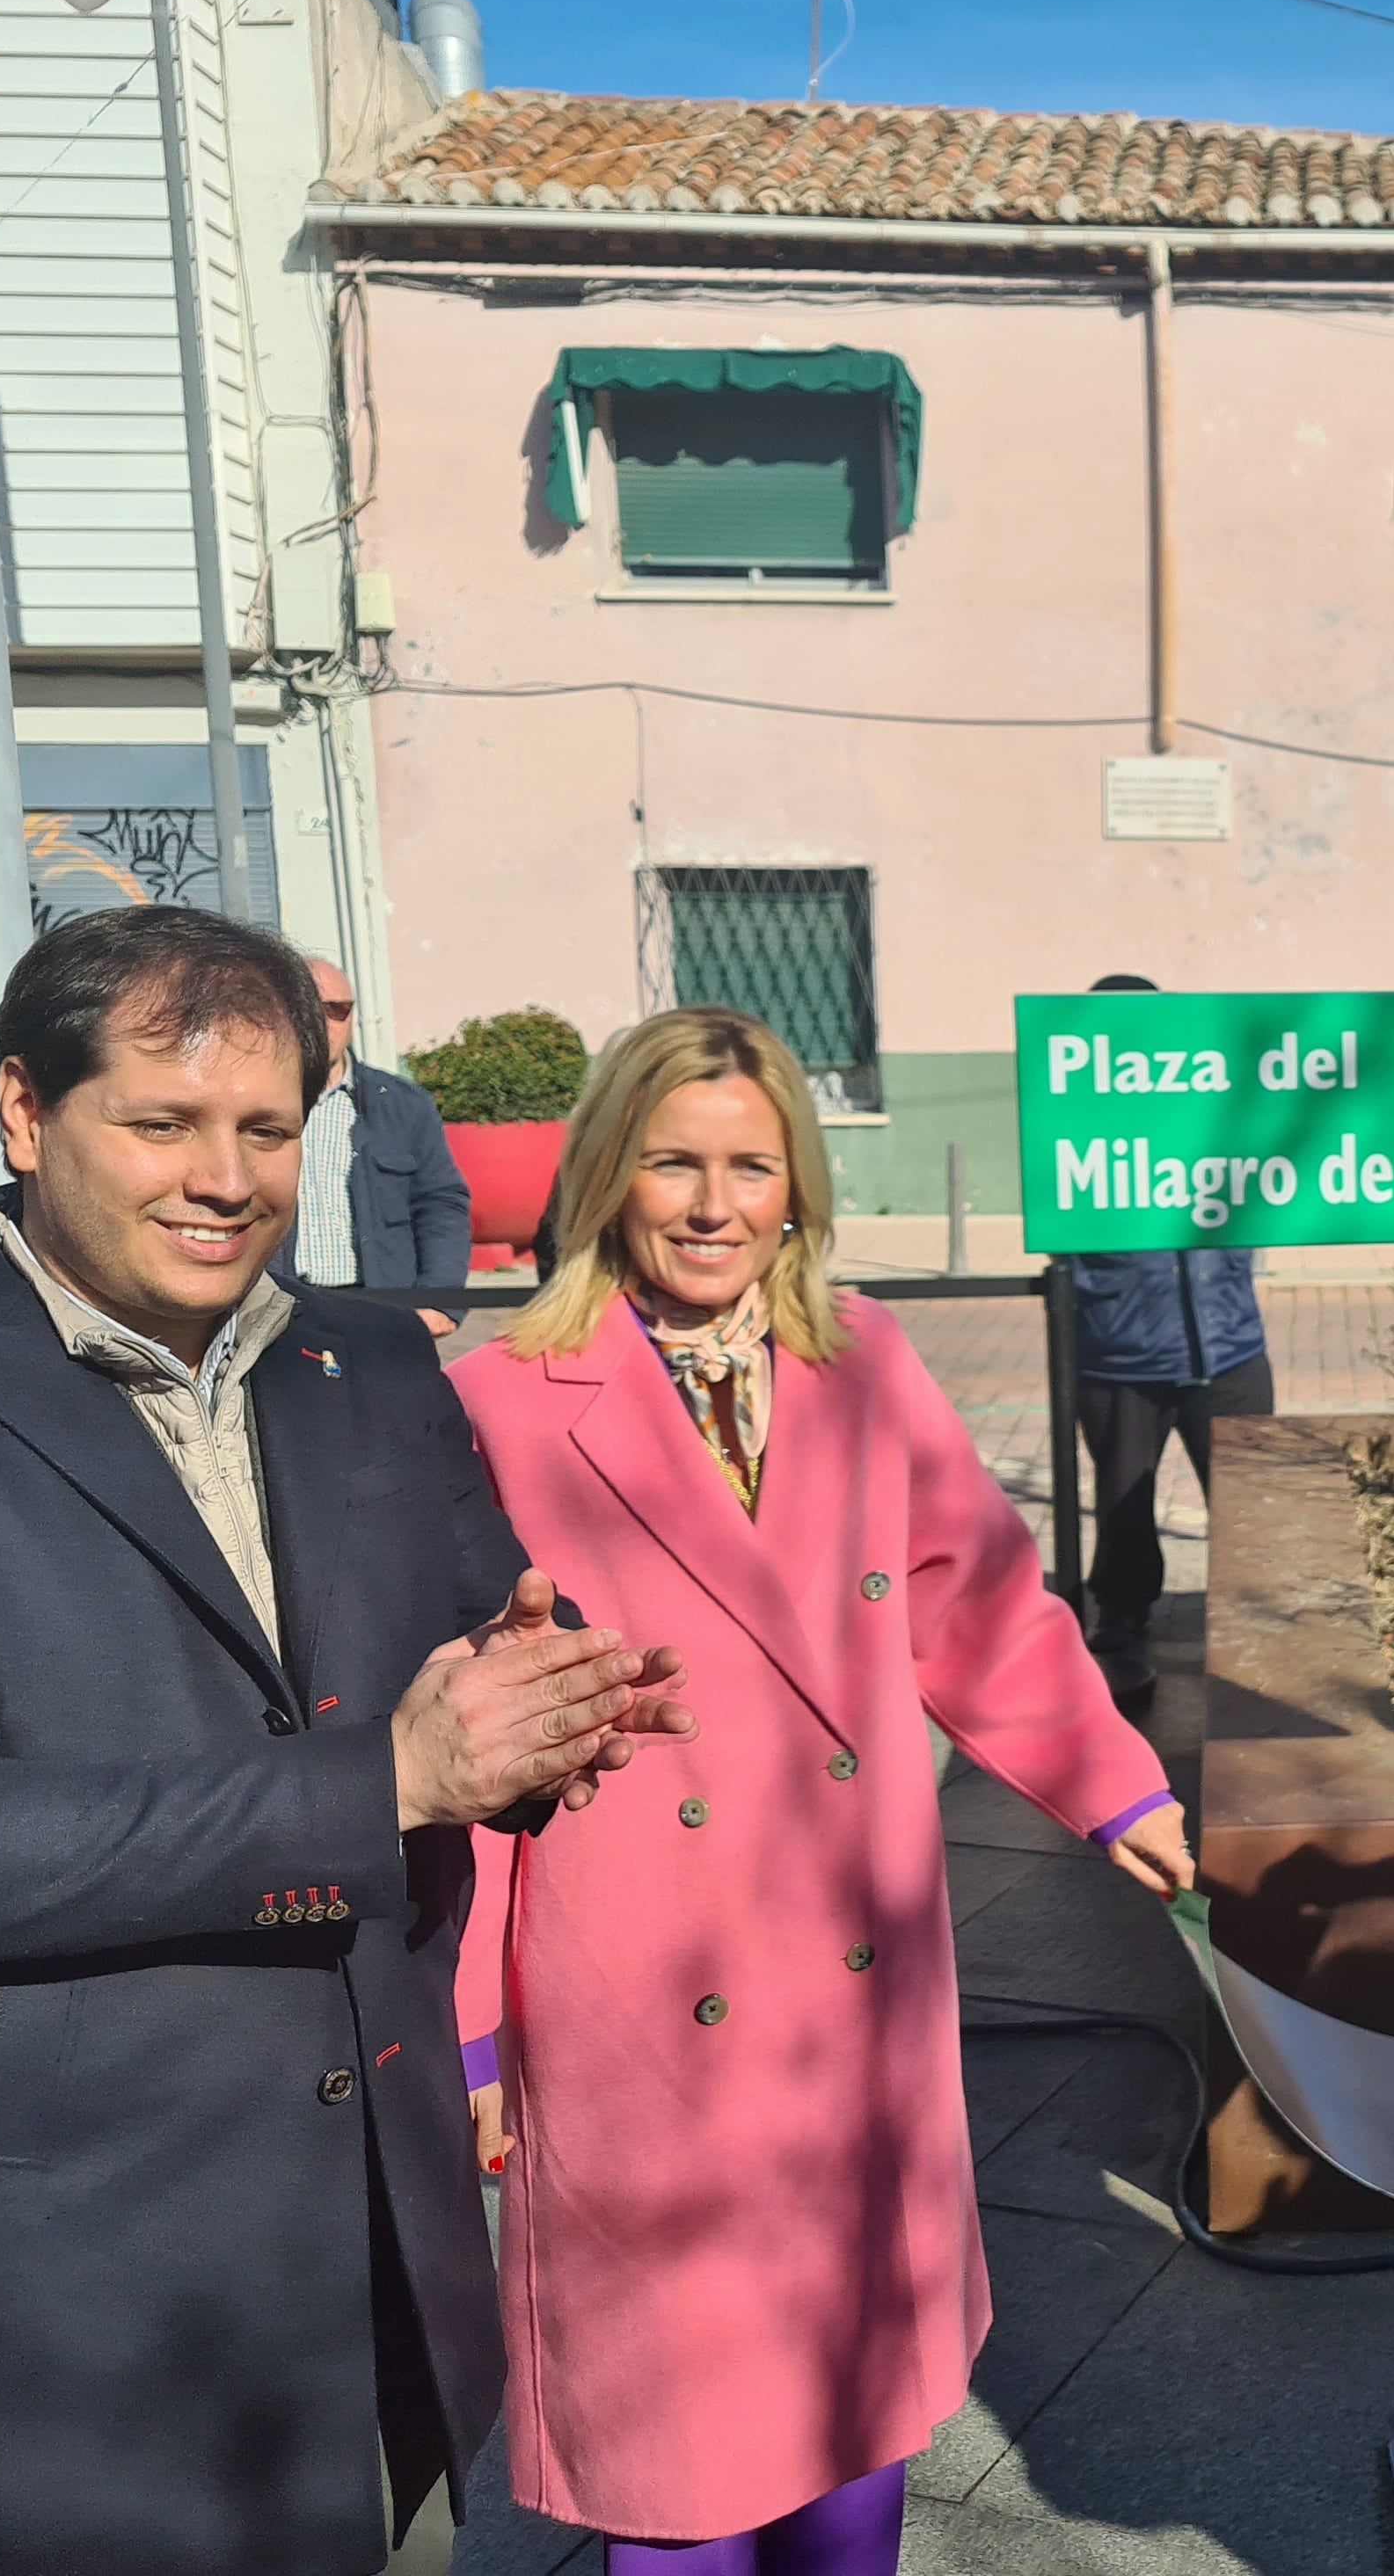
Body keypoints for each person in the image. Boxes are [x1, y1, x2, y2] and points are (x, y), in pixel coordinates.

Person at [0, 905, 691, 2576]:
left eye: (267, 1128)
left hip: (382, 2269)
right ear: (28, 1111)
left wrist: (546, 1717)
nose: (224, 1177)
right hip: (78, 2314)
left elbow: (466, 1660)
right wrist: (383, 1778)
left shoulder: (369, 1358)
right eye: (161, 1123)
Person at [449, 1006, 1192, 2571]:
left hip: (851, 1951)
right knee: (679, 2429)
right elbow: (469, 1749)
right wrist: (473, 2024)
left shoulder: (862, 1360)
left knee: (853, 2391)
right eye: (672, 1161)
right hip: (636, 1972)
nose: (713, 1203)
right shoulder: (507, 1396)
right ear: (605, 1173)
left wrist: (1113, 1784)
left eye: (749, 1164)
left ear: (796, 1182)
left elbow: (976, 1598)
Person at [1071, 971, 1274, 1696]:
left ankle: (1261, 1622)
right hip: (1120, 1351)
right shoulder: (1074, 1121)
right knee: (1124, 1500)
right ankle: (1122, 1613)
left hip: (1229, 1345)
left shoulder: (1212, 1111)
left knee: (1253, 1503)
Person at [289, 953, 476, 1336]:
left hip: (383, 1313)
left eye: (335, 1009)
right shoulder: (248, 1105)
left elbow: (441, 1203)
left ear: (352, 1016)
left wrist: (439, 1302)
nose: (320, 1023)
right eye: (303, 1007)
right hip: (284, 1315)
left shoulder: (402, 1104)